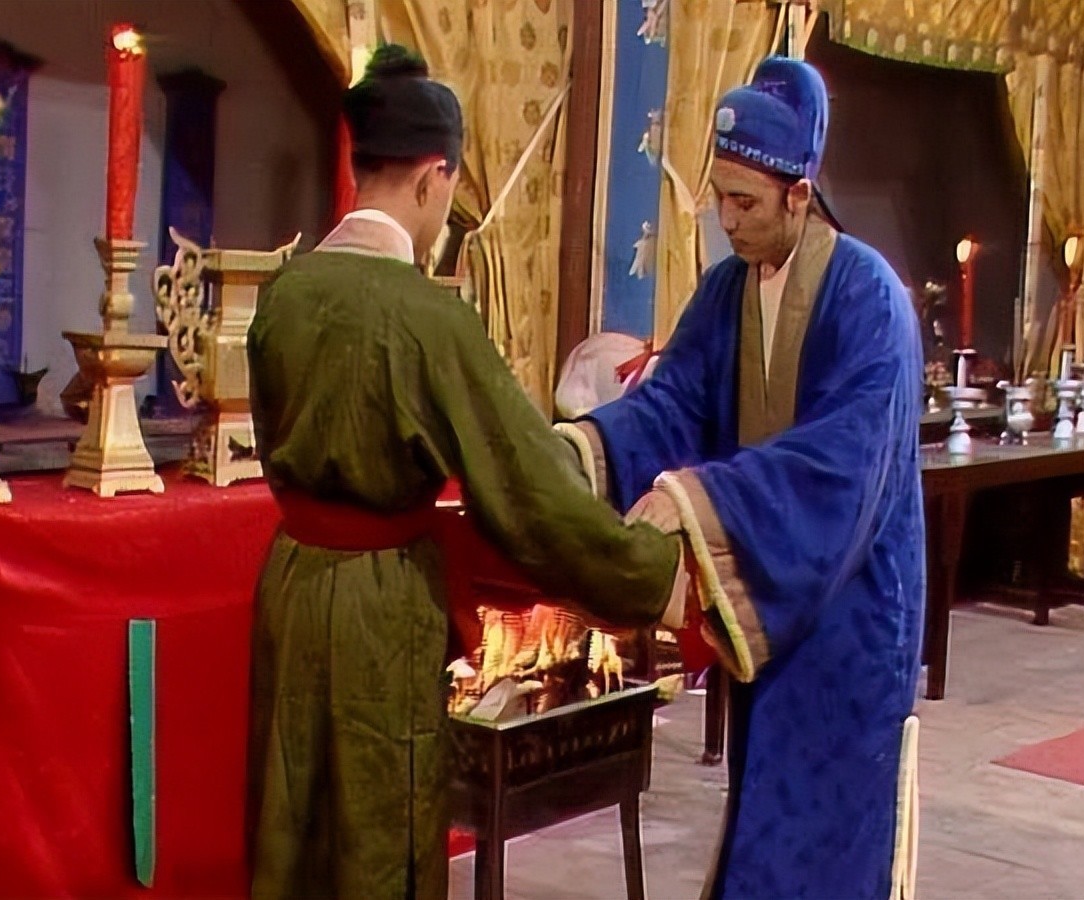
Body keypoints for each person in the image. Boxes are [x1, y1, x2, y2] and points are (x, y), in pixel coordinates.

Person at [245, 46, 686, 900]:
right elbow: (525, 489)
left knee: (291, 816)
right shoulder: (426, 317)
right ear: (432, 177)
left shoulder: (283, 295)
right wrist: (650, 572)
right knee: (382, 826)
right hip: (380, 601)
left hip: (291, 585)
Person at [559, 57, 925, 899]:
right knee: (764, 813)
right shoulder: (726, 291)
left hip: (851, 610)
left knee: (827, 836)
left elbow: (840, 464)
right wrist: (583, 451)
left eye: (746, 203)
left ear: (800, 194)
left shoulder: (869, 298)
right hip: (767, 596)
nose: (727, 221)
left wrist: (697, 499)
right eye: (719, 198)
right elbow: (674, 403)